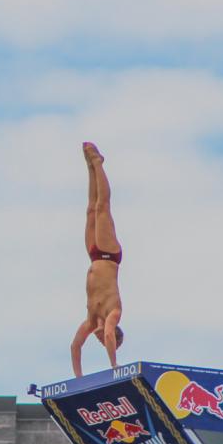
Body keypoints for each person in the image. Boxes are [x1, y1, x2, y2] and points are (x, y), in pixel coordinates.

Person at [72, 141, 124, 377]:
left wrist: (79, 379)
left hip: (94, 255)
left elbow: (75, 346)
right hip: (109, 254)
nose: (101, 339)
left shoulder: (91, 320)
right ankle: (98, 164)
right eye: (105, 342)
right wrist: (114, 365)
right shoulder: (114, 313)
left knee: (91, 210)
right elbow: (110, 333)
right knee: (102, 207)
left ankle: (90, 169)